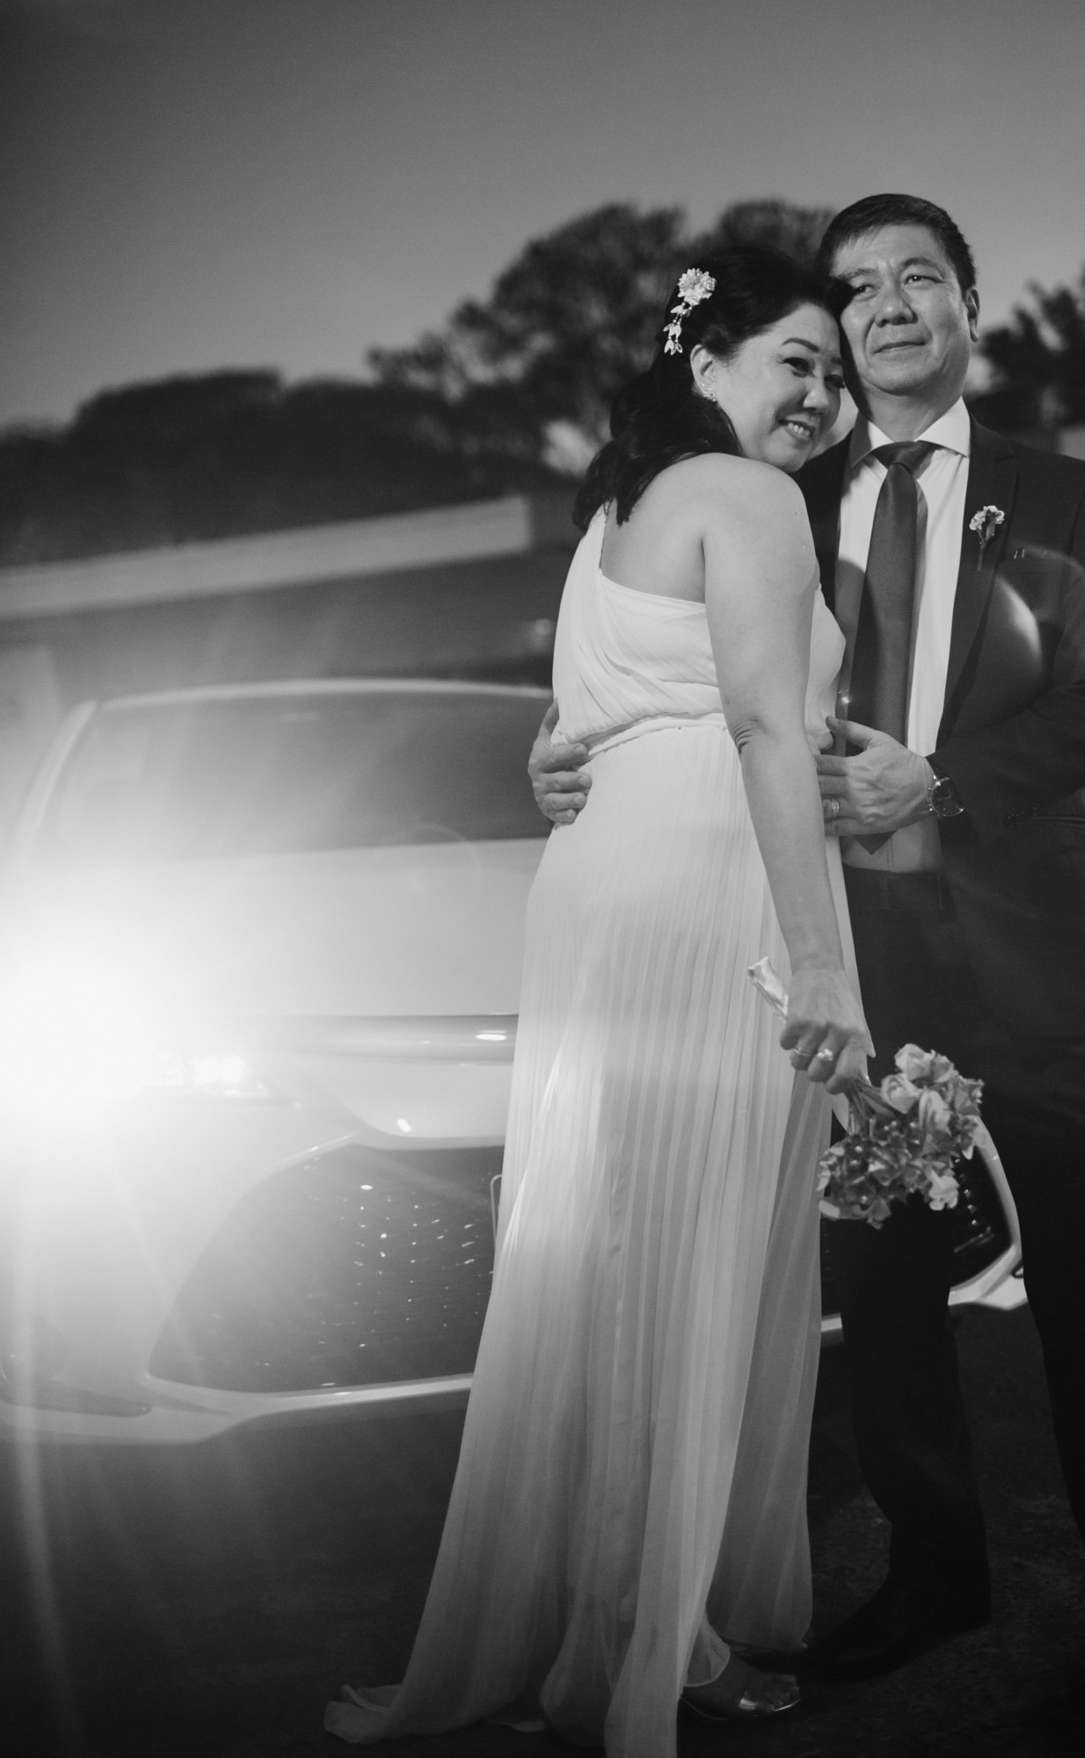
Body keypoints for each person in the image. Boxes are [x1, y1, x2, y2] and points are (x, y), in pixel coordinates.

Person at [533, 196, 1085, 1718]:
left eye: (920, 280)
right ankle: (934, 1573)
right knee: (887, 1314)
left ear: (969, 304)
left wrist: (942, 781)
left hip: (1025, 968)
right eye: (857, 291)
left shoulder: (1065, 489)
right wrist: (560, 747)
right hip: (831, 959)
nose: (888, 309)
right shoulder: (769, 476)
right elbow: (670, 666)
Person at [326, 246, 869, 1754]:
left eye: (836, 375)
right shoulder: (751, 501)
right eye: (796, 362)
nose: (823, 395)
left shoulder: (612, 520)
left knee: (617, 1260)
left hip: (608, 893)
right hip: (709, 904)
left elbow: (593, 729)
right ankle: (658, 1640)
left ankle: (630, 1613)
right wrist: (821, 961)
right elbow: (759, 721)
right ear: (703, 366)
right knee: (684, 1265)